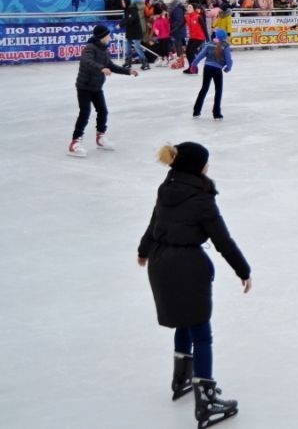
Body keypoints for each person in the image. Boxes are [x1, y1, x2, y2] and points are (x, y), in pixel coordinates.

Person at [137, 142, 251, 427]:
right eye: (206, 163)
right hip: (188, 265)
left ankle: (182, 379)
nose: (208, 167)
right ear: (197, 167)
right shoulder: (202, 198)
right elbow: (222, 240)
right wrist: (243, 270)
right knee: (201, 332)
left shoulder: (167, 188)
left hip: (161, 262)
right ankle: (207, 400)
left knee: (183, 322)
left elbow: (154, 223)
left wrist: (143, 251)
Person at [68, 24, 138, 157]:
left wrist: (128, 71)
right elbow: (87, 62)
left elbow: (111, 66)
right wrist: (101, 68)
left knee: (103, 111)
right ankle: (75, 142)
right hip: (84, 86)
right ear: (102, 37)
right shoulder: (90, 49)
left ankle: (100, 138)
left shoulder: (104, 50)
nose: (110, 37)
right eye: (108, 35)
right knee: (85, 113)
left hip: (96, 87)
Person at [190, 29, 233, 120]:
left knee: (204, 89)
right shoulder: (225, 46)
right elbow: (228, 59)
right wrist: (228, 68)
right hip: (217, 70)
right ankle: (216, 113)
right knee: (218, 90)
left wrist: (194, 64)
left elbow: (201, 55)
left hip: (207, 68)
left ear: (216, 36)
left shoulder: (209, 44)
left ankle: (196, 111)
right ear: (225, 37)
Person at [121, 0, 150, 70]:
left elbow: (131, 20)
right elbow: (125, 19)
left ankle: (144, 62)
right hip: (130, 31)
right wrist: (121, 23)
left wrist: (121, 24)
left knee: (137, 47)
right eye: (122, 2)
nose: (122, 4)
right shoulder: (126, 10)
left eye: (123, 2)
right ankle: (128, 61)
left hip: (136, 31)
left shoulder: (133, 9)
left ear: (127, 2)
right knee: (127, 46)